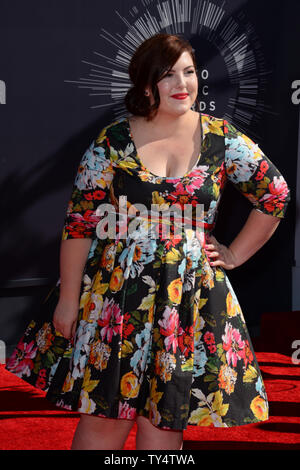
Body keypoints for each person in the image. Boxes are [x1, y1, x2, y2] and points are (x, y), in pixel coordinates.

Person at [5, 33, 290, 451]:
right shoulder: (113, 142)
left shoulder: (222, 139)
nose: (183, 83)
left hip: (185, 301)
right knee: (104, 422)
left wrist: (234, 253)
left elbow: (275, 194)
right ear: (144, 83)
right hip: (116, 298)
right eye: (168, 74)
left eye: (189, 72)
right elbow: (81, 224)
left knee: (164, 425)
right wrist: (68, 301)